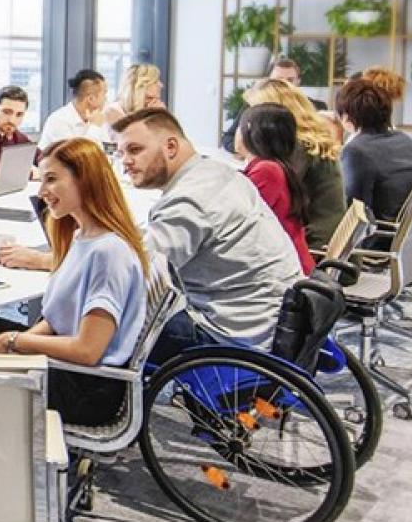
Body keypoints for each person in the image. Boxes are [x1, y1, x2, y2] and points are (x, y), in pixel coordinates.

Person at [114, 108, 301, 363]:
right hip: (268, 320)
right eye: (121, 152)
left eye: (134, 150)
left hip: (232, 335)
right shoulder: (215, 172)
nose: (125, 161)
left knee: (104, 324)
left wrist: (53, 259)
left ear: (171, 147)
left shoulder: (189, 199)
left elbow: (132, 267)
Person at [0, 138, 147, 427]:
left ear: (84, 180)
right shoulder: (82, 237)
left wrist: (15, 341)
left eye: (51, 179)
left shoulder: (107, 252)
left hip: (86, 389)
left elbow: (88, 350)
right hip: (70, 371)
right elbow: (56, 318)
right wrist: (17, 348)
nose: (42, 191)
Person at [240, 78, 346, 250]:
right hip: (325, 239)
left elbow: (263, 202)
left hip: (313, 245)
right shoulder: (310, 142)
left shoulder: (298, 148)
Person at [336, 77, 412, 225]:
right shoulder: (405, 140)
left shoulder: (356, 151)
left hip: (375, 238)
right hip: (402, 233)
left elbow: (352, 211)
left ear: (346, 117)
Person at [237, 104, 315, 274]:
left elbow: (238, 220)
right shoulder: (274, 166)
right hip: (285, 267)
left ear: (251, 133)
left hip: (283, 276)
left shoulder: (267, 171)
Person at [221, 55, 327, 153]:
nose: (284, 85)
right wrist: (245, 150)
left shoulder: (316, 107)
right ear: (269, 81)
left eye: (290, 80)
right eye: (278, 80)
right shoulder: (255, 105)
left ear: (298, 81)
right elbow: (228, 137)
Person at [39, 69, 108, 150]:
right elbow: (77, 158)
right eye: (104, 94)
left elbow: (109, 151)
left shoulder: (96, 118)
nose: (106, 99)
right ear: (91, 98)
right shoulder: (59, 120)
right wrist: (95, 127)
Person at [104, 63, 166, 127]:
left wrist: (161, 116)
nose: (161, 85)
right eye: (155, 81)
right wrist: (151, 117)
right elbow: (135, 135)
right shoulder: (113, 111)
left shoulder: (154, 107)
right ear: (141, 86)